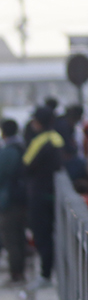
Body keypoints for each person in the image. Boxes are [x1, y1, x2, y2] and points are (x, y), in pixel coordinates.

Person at [23, 106, 65, 285]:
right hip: (53, 193)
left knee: (42, 234)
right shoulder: (57, 138)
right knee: (53, 233)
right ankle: (50, 271)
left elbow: (25, 165)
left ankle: (45, 274)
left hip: (39, 194)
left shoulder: (39, 141)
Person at [0, 119, 27, 285]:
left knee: (11, 238)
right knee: (20, 236)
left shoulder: (7, 152)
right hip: (23, 198)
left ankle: (16, 273)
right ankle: (19, 270)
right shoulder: (23, 147)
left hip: (9, 200)